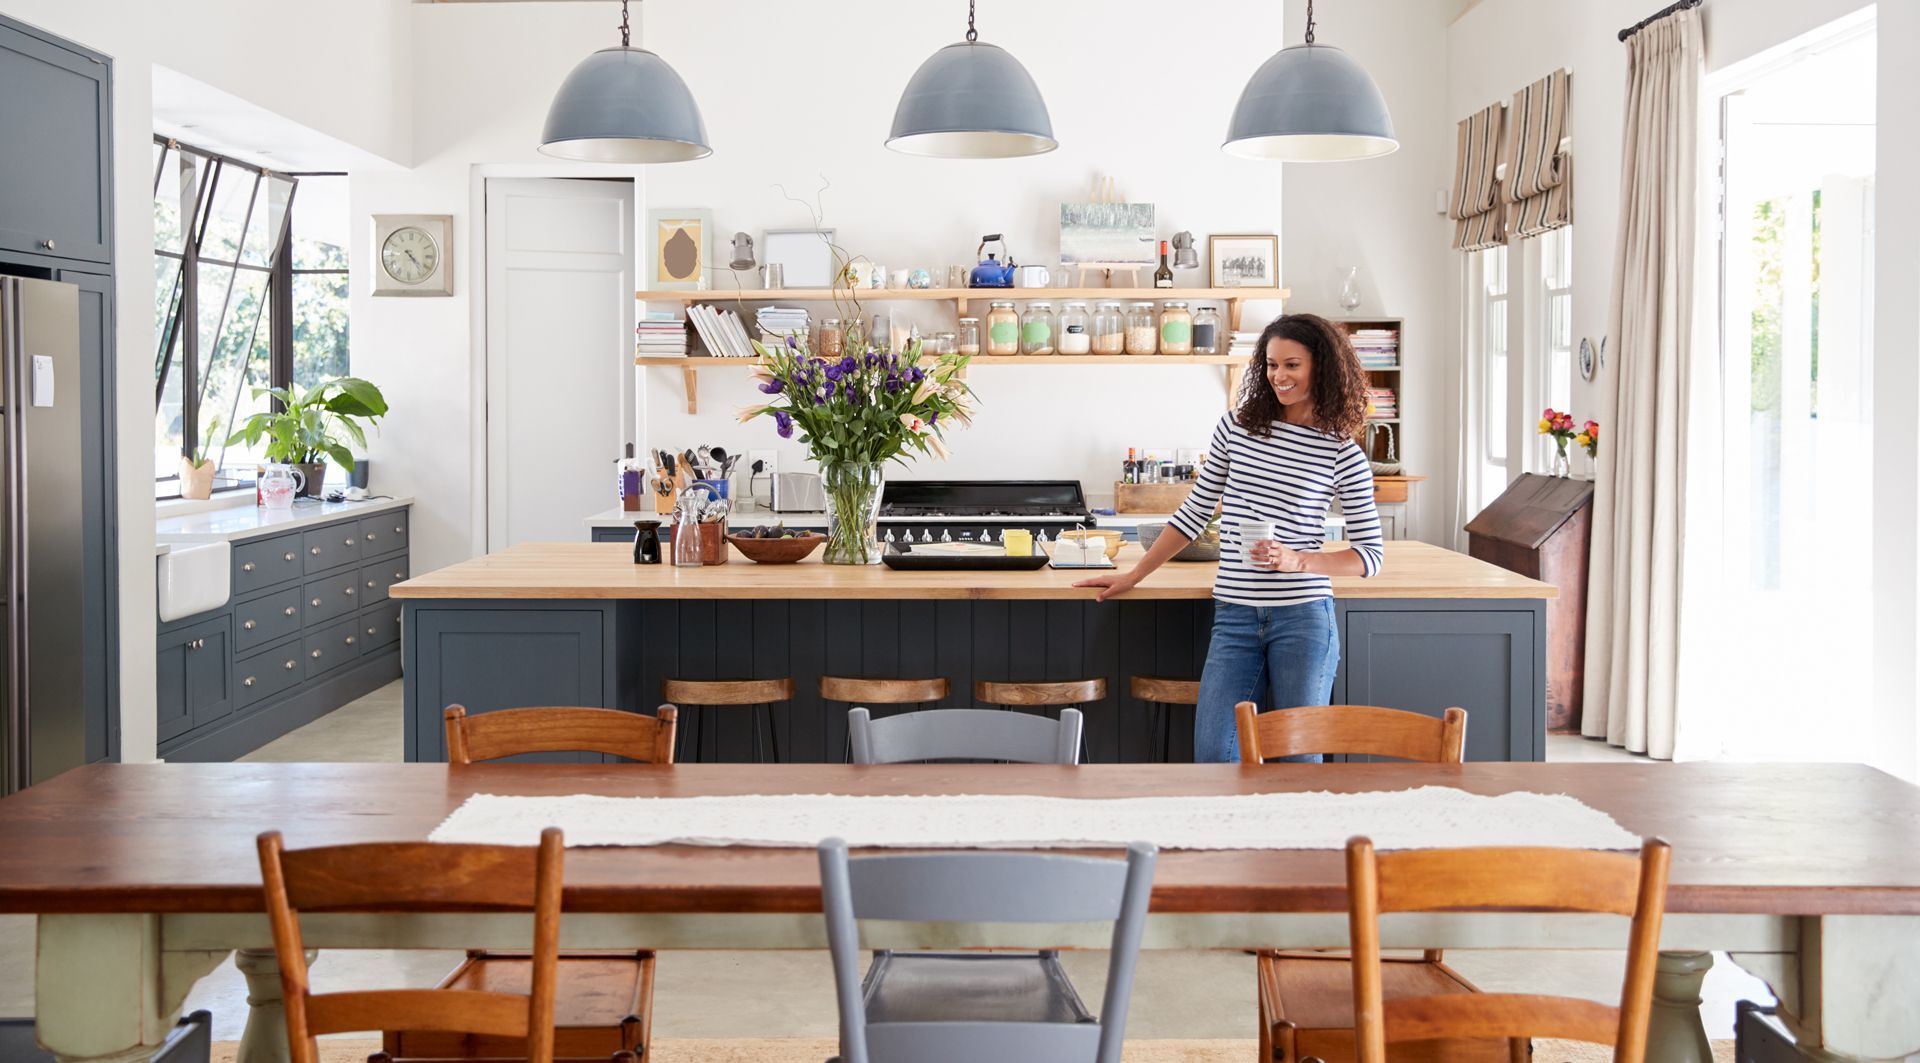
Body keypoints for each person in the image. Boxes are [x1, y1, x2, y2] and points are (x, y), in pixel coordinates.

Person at [1075, 313, 1384, 763]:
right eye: (1272, 365)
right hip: (1235, 617)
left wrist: (1298, 560)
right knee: (1215, 757)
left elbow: (1369, 555)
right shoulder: (1236, 428)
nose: (1280, 376)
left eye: (1292, 365)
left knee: (1299, 761)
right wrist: (1134, 575)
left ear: (1323, 367)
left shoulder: (1341, 451)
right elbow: (1194, 513)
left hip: (1304, 620)